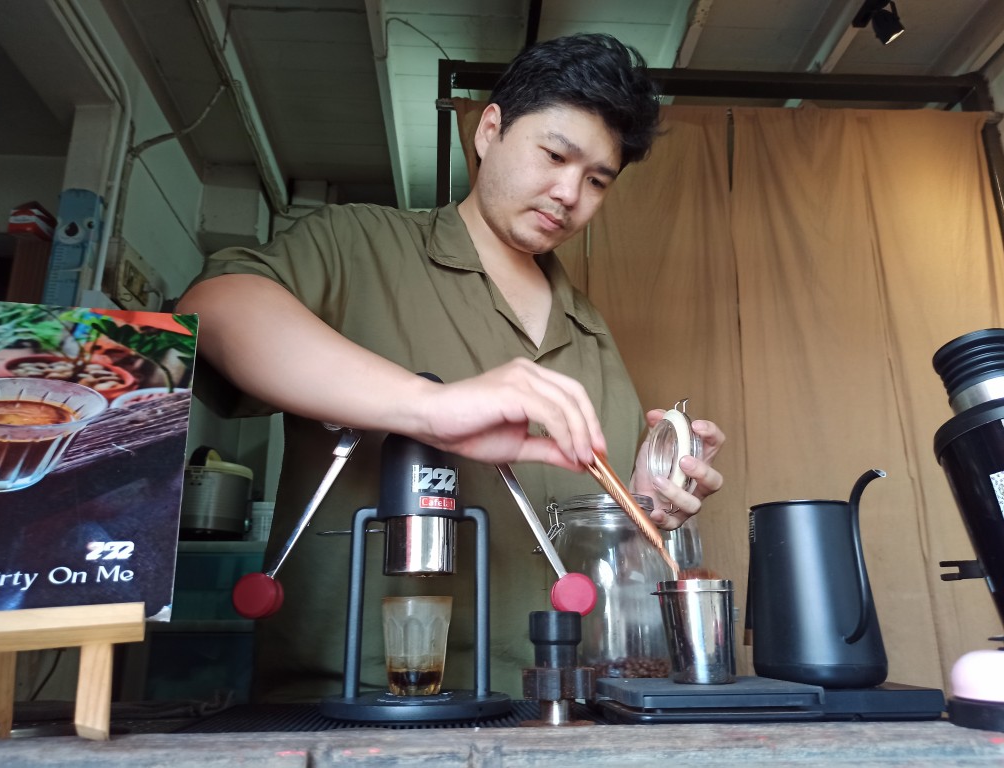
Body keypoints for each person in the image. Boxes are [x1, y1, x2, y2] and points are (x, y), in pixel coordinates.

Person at [177, 33, 725, 702]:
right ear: (490, 130)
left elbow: (597, 559)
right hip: (355, 707)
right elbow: (214, 310)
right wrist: (427, 406)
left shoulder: (591, 335)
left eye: (597, 180)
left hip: (553, 706)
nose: (569, 193)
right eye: (555, 155)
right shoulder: (358, 245)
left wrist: (637, 507)